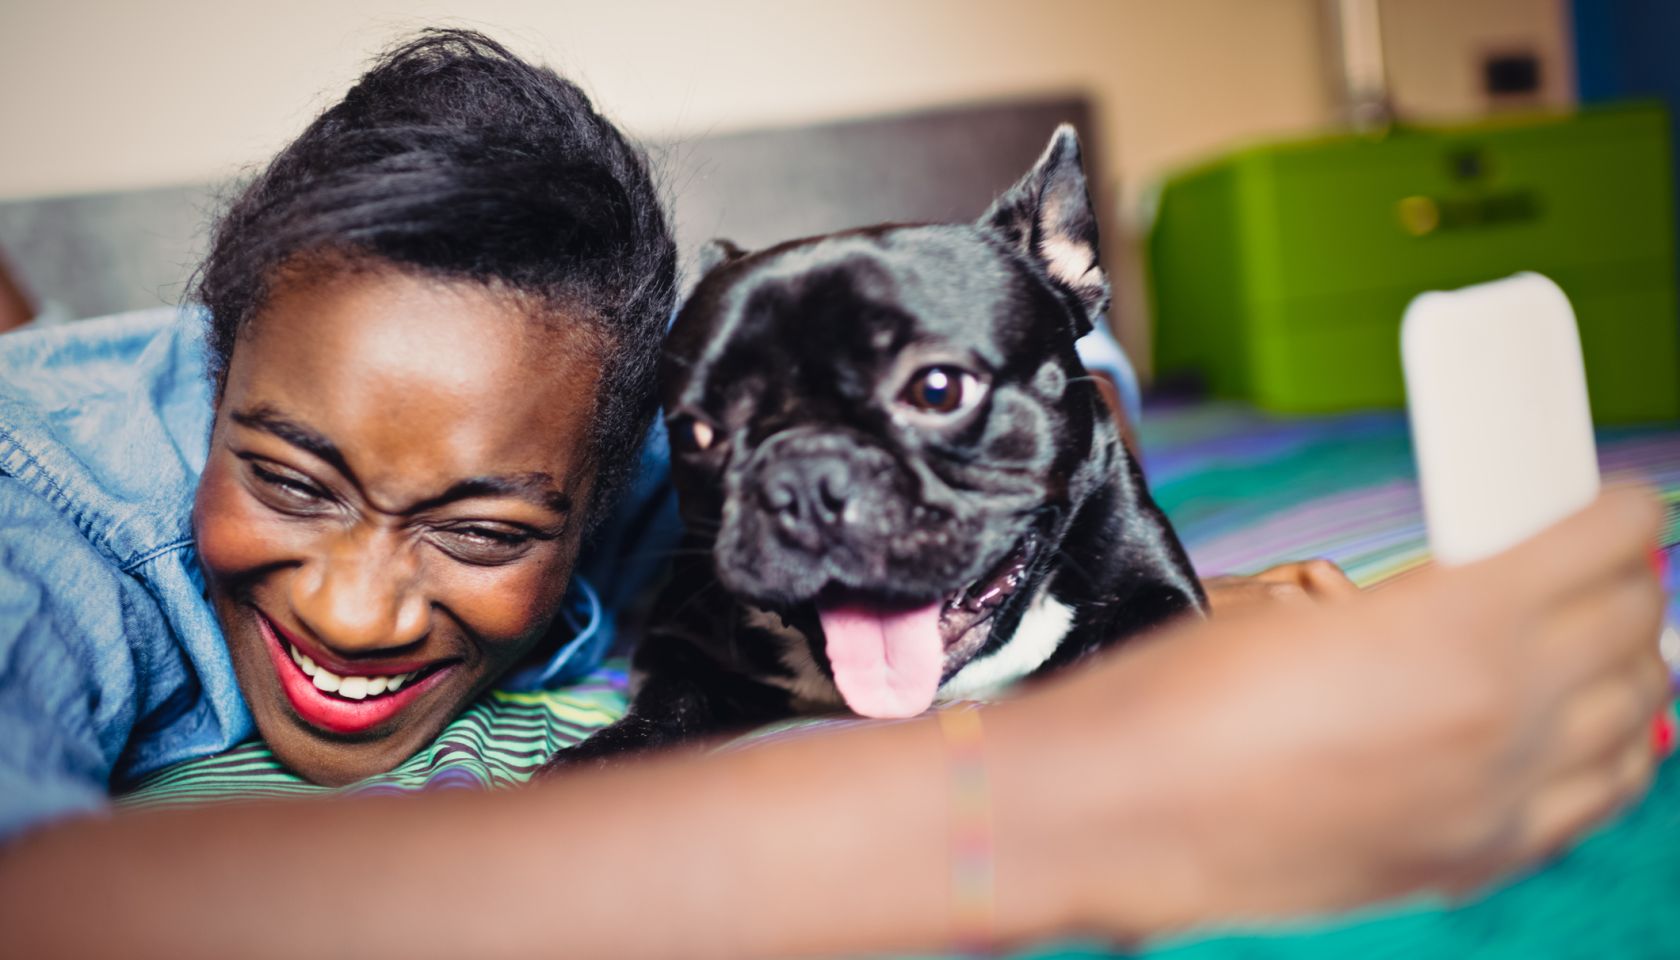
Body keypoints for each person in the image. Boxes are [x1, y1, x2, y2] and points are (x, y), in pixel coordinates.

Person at [0, 28, 1669, 959]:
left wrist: (1127, 599)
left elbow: (1057, 378)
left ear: (614, 451)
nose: (357, 609)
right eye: (288, 480)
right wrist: (1087, 794)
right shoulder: (49, 506)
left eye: (489, 528)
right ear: (217, 361)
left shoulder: (673, 416)